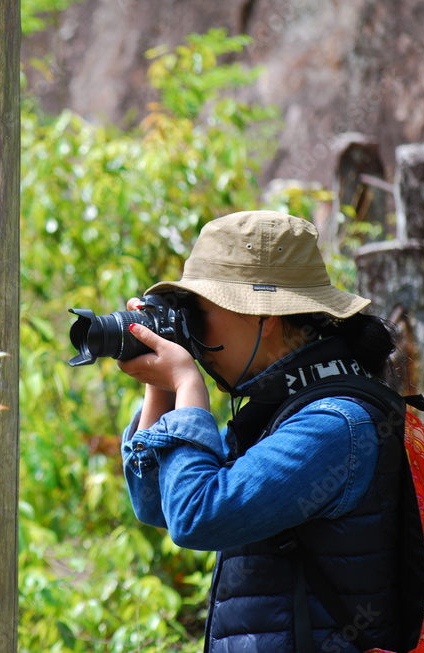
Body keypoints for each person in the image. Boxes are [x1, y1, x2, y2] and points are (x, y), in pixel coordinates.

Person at [118, 210, 407, 653]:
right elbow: (158, 503)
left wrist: (187, 383)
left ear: (263, 316)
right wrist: (161, 385)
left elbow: (197, 516)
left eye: (198, 313)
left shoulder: (334, 425)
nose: (191, 333)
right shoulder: (279, 410)